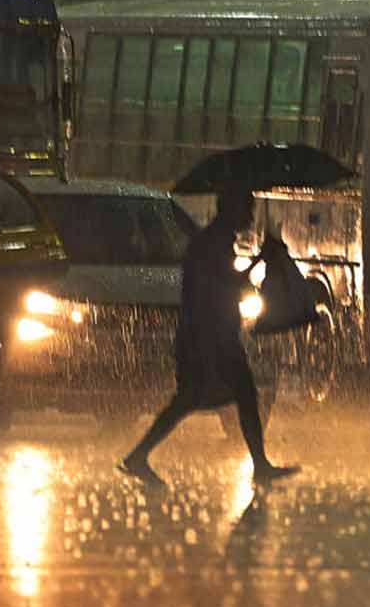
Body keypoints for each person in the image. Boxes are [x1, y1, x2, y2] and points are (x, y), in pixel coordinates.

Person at [118, 185, 299, 487]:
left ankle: (260, 464)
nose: (250, 216)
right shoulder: (211, 242)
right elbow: (225, 285)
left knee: (230, 394)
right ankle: (138, 457)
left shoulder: (216, 241)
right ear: (229, 209)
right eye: (247, 209)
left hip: (212, 333)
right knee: (200, 398)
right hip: (207, 336)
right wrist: (261, 259)